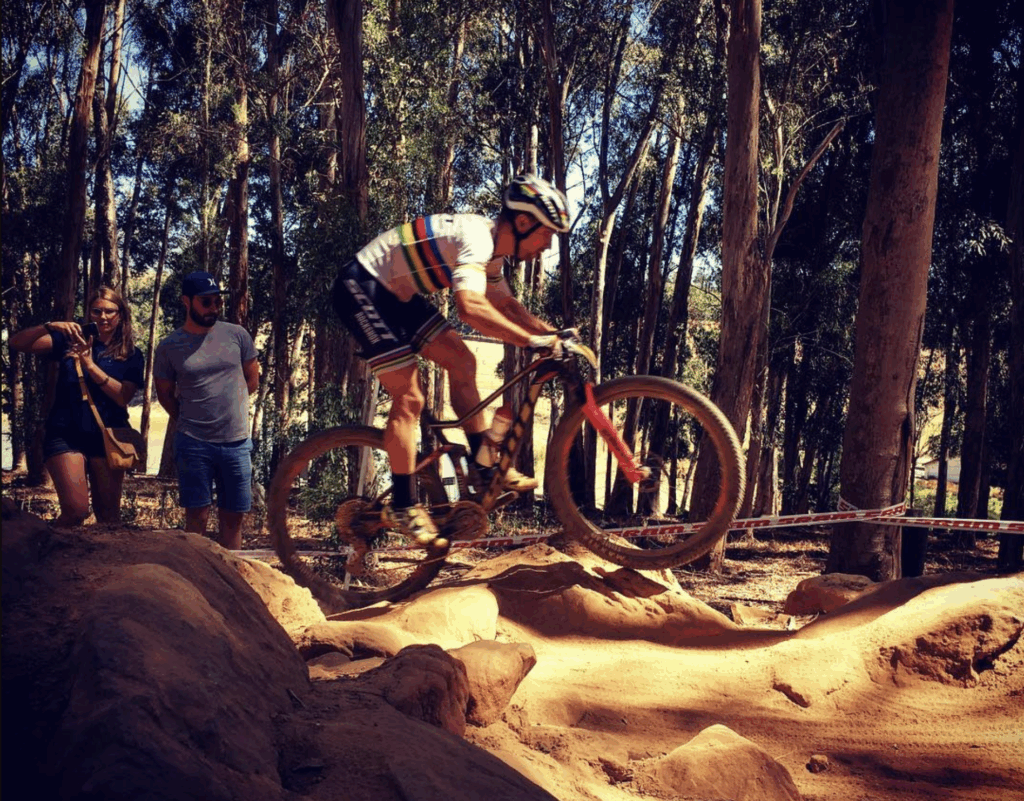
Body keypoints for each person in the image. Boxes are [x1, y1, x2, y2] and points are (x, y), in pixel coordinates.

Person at [332, 173, 573, 545]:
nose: (548, 245)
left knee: (463, 362)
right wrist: (530, 340)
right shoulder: (477, 240)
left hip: (396, 295)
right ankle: (402, 503)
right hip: (361, 287)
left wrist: (553, 334)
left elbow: (506, 303)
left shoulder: (493, 253)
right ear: (524, 223)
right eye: (548, 234)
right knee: (410, 398)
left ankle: (481, 466)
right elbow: (470, 307)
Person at [9, 286, 145, 527]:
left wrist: (89, 364)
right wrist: (49, 326)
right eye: (97, 311)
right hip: (65, 433)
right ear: (89, 313)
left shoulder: (131, 354)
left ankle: (99, 564)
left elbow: (122, 397)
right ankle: (45, 551)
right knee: (75, 511)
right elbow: (17, 343)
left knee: (109, 518)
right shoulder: (70, 339)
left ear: (121, 315)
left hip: (106, 436)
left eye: (110, 312)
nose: (103, 317)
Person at [154, 271, 259, 550]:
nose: (213, 308)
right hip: (193, 443)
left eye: (216, 302)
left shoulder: (237, 335)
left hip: (236, 444)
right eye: (206, 302)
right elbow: (163, 393)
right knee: (197, 517)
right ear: (186, 302)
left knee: (233, 518)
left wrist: (229, 408)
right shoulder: (169, 347)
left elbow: (253, 380)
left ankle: (230, 582)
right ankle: (196, 585)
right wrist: (191, 418)